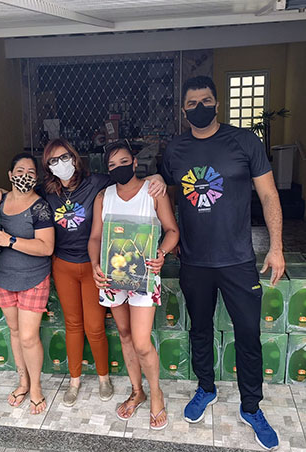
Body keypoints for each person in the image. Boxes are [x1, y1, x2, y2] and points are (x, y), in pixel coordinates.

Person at [0, 139, 166, 407]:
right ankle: (74, 381)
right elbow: (21, 191)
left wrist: (156, 177)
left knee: (95, 327)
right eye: (53, 161)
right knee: (72, 325)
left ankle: (103, 378)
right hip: (63, 265)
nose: (61, 164)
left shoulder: (97, 184)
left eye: (65, 157)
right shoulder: (47, 191)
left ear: (75, 157)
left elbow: (127, 179)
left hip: (94, 265)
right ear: (48, 167)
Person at [160, 76, 284, 450]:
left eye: (206, 100)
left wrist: (276, 247)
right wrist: (172, 235)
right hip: (194, 261)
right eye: (192, 103)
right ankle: (206, 388)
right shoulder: (175, 149)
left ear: (218, 103)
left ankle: (252, 407)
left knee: (248, 334)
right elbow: (166, 193)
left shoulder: (244, 142)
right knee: (199, 329)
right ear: (184, 110)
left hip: (238, 260)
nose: (200, 107)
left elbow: (269, 195)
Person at [88, 141, 179, 431]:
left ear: (135, 162)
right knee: (125, 334)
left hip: (144, 276)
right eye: (112, 165)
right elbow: (95, 237)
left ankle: (156, 393)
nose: (119, 168)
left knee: (141, 341)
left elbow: (172, 230)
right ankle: (137, 391)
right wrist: (95, 265)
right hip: (112, 277)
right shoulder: (103, 197)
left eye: (124, 162)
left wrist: (161, 253)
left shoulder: (153, 191)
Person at [0, 153, 55, 415]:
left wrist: (10, 241)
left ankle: (35, 387)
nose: (25, 176)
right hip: (3, 277)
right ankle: (23, 381)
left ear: (37, 177)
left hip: (33, 278)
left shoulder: (40, 207)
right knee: (14, 332)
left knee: (28, 337)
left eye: (31, 172)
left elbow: (46, 247)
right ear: (10, 175)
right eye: (20, 171)